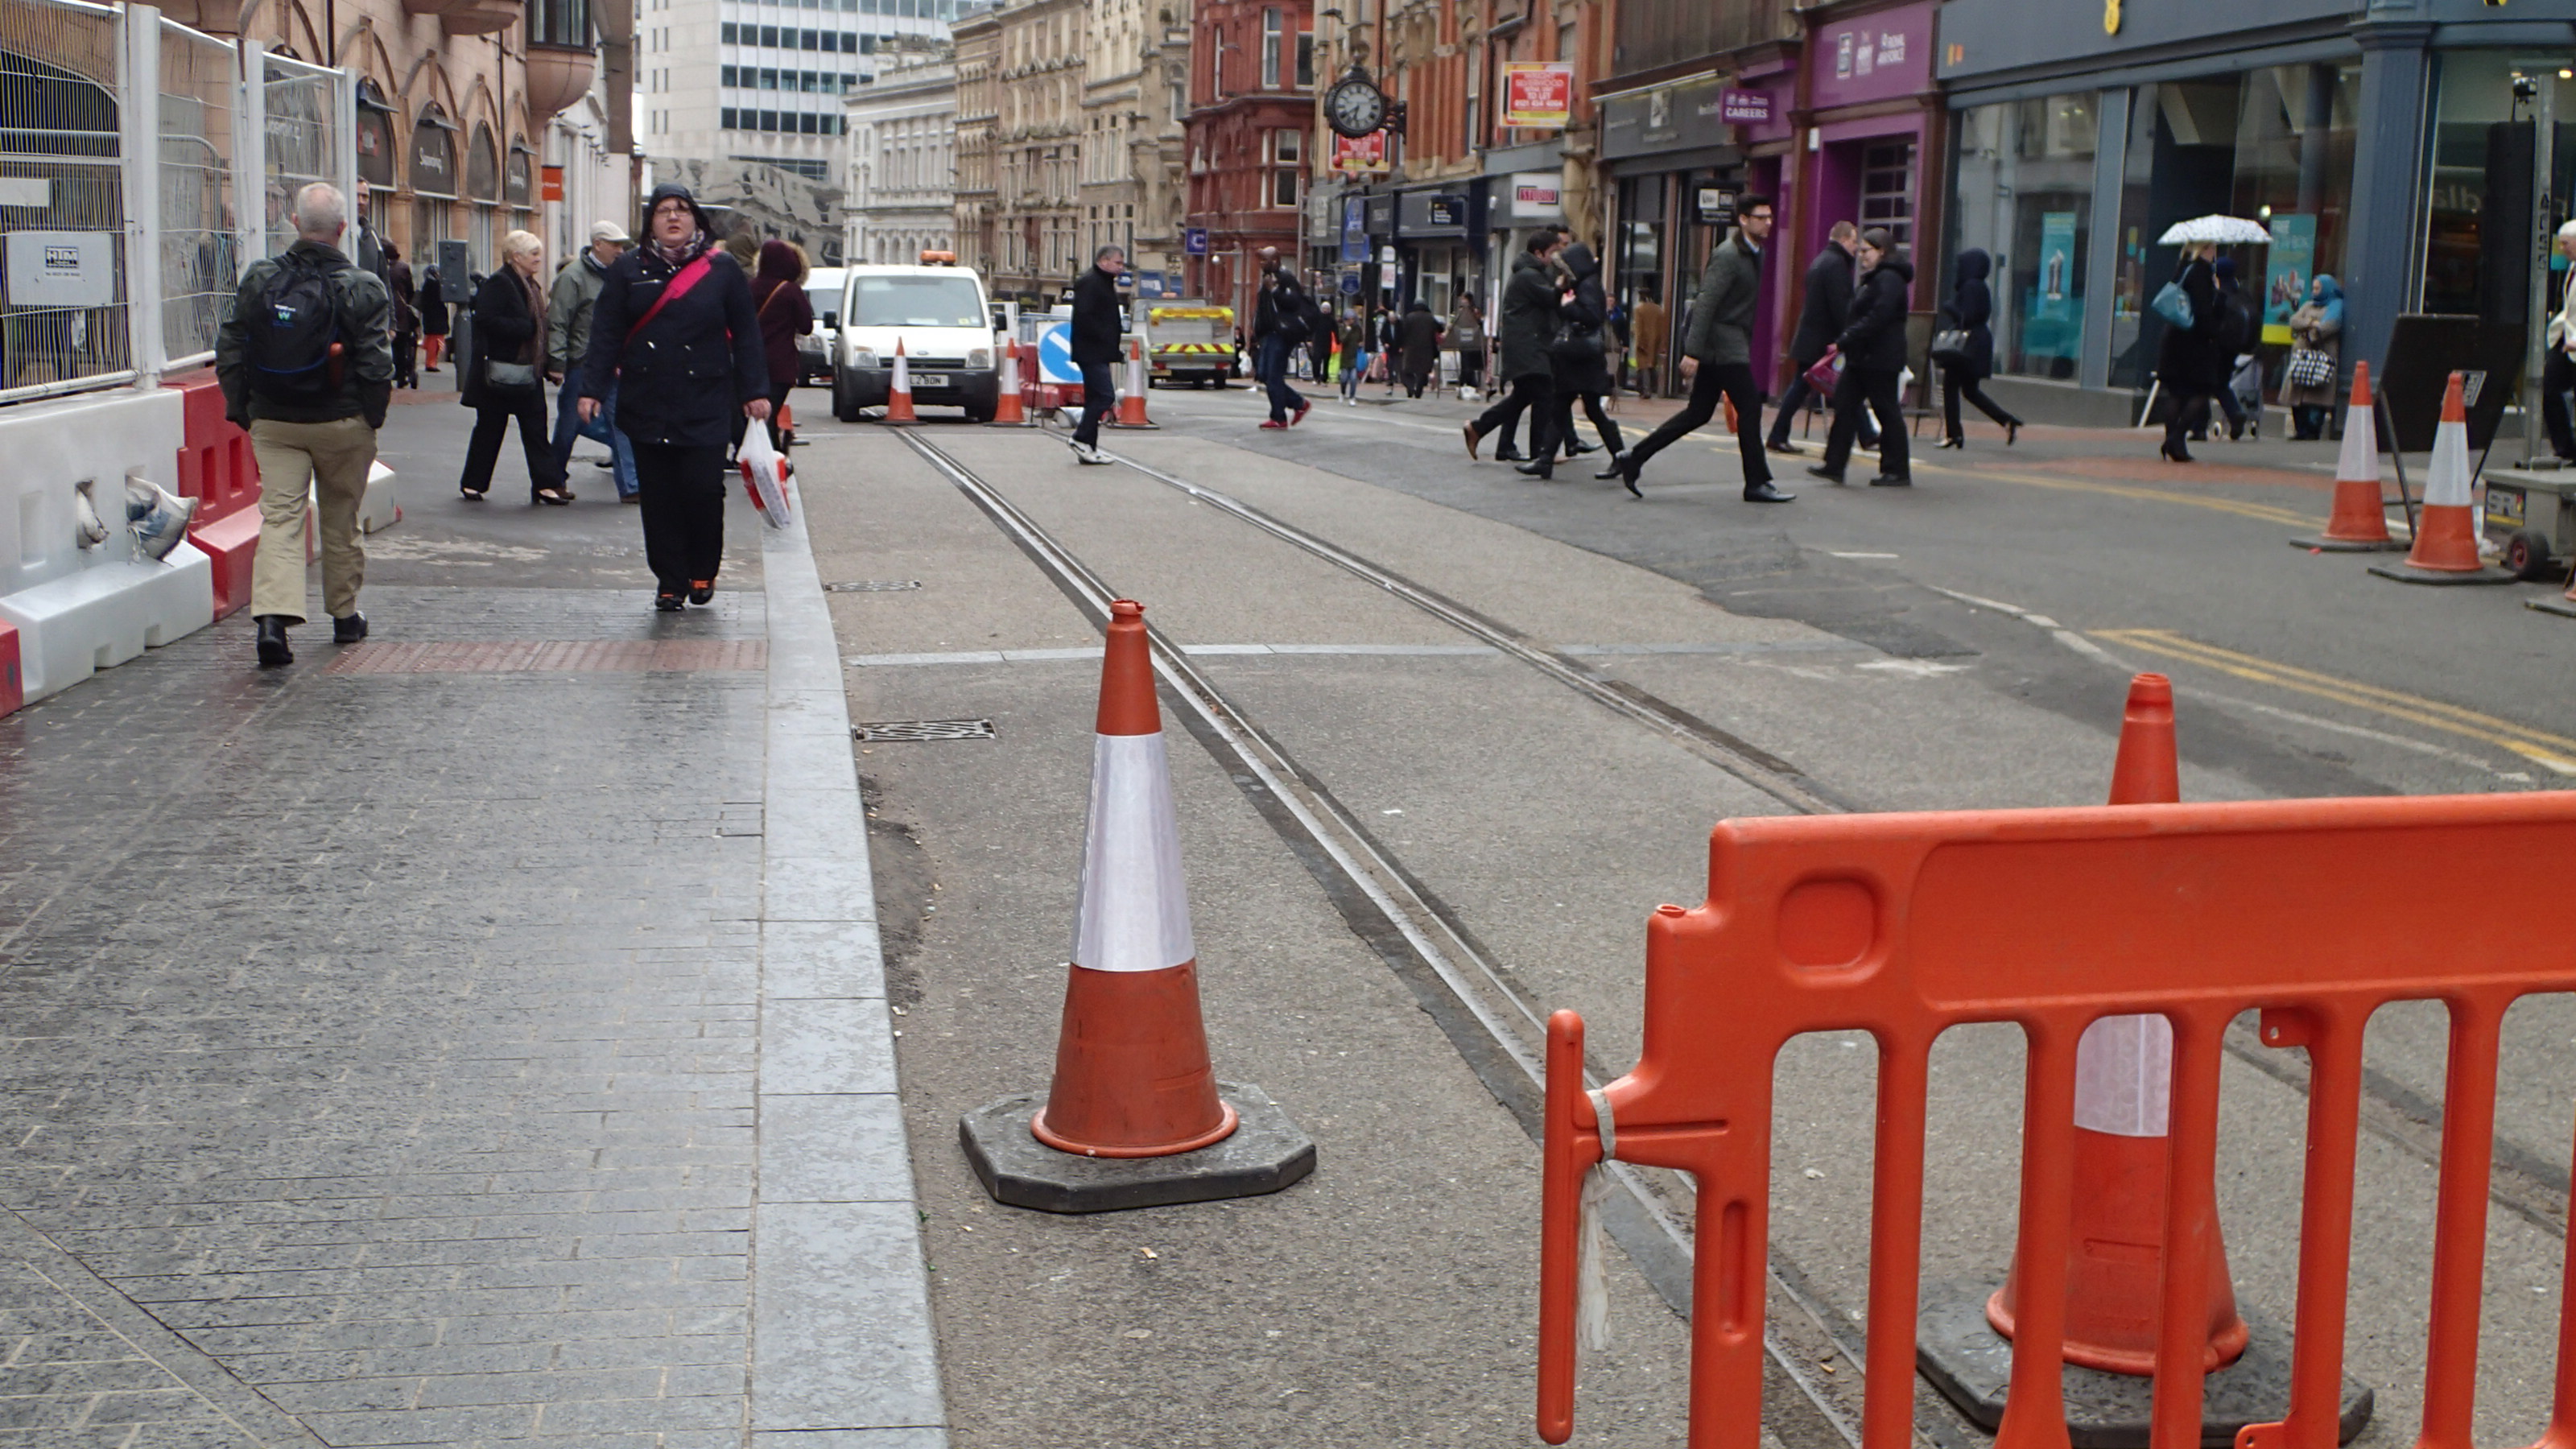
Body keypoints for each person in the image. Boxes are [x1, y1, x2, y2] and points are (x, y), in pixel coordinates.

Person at [214, 181, 392, 667]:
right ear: (342, 228)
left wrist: (243, 409)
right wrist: (370, 417)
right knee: (341, 518)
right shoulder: (363, 286)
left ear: (294, 223)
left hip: (274, 420)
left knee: (281, 518)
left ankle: (273, 620)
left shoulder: (261, 277)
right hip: (343, 421)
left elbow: (230, 346)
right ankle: (344, 616)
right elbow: (377, 364)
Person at [578, 182, 768, 611]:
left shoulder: (721, 269)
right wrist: (591, 388)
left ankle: (702, 568)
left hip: (705, 399)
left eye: (682, 209)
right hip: (648, 399)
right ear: (651, 222)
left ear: (695, 219)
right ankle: (669, 579)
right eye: (663, 210)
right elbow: (606, 333)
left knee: (702, 490)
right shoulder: (628, 269)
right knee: (659, 497)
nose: (673, 217)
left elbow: (747, 334)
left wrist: (755, 391)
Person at [1613, 197, 1790, 503]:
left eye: (1770, 217)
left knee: (1698, 413)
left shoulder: (1755, 252)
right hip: (1723, 346)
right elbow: (1705, 302)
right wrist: (1692, 351)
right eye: (1761, 217)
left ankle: (1635, 457)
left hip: (1727, 343)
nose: (1768, 223)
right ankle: (1757, 483)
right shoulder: (1728, 255)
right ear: (1744, 220)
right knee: (1750, 407)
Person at [457, 230, 571, 505]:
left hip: (526, 370)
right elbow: (485, 319)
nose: (539, 259)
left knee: (535, 428)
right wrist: (524, 328)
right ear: (516, 257)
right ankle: (473, 483)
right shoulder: (499, 282)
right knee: (490, 429)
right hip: (501, 370)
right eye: (534, 254)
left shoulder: (529, 284)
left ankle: (547, 485)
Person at [1808, 226, 1913, 488]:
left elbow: (1878, 316)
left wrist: (1845, 339)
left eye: (1867, 251)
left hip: (1879, 358)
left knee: (1886, 411)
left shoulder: (1889, 278)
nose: (1862, 255)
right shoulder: (1878, 277)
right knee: (1844, 405)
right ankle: (1834, 464)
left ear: (1882, 251)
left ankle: (1897, 470)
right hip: (1863, 356)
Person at [547, 220, 639, 502]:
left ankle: (631, 487)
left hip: (611, 362)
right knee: (569, 425)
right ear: (598, 245)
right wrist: (557, 362)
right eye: (614, 245)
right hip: (582, 363)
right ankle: (552, 480)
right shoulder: (573, 277)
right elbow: (558, 321)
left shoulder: (617, 275)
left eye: (622, 245)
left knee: (621, 423)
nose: (620, 250)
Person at [1767, 220, 1875, 456]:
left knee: (1827, 387)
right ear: (1845, 240)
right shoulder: (1836, 265)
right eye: (1854, 241)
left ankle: (1867, 434)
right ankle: (1777, 435)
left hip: (1811, 339)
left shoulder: (1821, 261)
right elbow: (1841, 307)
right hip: (1823, 342)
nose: (1857, 247)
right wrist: (1849, 336)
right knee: (1811, 388)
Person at [1462, 230, 1564, 476]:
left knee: (1523, 397)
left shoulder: (1531, 274)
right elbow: (1551, 298)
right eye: (1551, 253)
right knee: (1543, 396)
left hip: (1526, 345)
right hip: (1528, 347)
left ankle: (1478, 428)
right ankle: (1539, 454)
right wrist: (1564, 283)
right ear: (1538, 253)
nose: (1554, 258)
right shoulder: (1529, 276)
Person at [1539, 242, 1620, 477]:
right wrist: (1559, 292)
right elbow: (1558, 306)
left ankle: (1620, 456)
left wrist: (1568, 306)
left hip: (1583, 359)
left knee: (1586, 410)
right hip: (1577, 358)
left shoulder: (1589, 286)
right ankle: (1545, 460)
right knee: (1562, 407)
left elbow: (1593, 316)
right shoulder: (1581, 284)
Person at [1934, 247, 2023, 450]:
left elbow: (1968, 317)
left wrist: (1950, 307)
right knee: (1970, 391)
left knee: (1951, 387)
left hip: (1967, 344)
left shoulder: (1971, 286)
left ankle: (1953, 434)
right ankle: (2006, 420)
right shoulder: (1981, 286)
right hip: (1977, 342)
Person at [2156, 240, 2227, 463]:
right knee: (2201, 391)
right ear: (2205, 248)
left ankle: (2173, 442)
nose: (2215, 252)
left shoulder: (2182, 267)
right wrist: (2219, 295)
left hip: (2173, 339)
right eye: (2213, 247)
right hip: (2194, 344)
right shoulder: (2201, 273)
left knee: (2176, 393)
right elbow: (2204, 312)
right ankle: (2176, 439)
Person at [747, 240, 814, 454]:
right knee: (771, 413)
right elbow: (806, 327)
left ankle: (761, 456)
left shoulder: (747, 287)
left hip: (750, 365)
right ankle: (773, 459)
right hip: (780, 364)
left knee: (755, 416)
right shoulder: (790, 290)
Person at [1067, 243, 1125, 461]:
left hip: (1097, 350)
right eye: (1118, 262)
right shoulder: (1091, 283)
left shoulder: (1103, 282)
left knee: (1094, 397)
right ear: (1104, 261)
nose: (1121, 268)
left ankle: (1088, 447)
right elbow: (1087, 317)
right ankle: (1080, 438)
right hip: (1091, 351)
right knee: (1105, 395)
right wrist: (1105, 340)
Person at [1249, 247, 1315, 428]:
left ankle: (1279, 417)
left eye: (1266, 260)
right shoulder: (1266, 279)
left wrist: (1275, 290)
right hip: (1267, 334)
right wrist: (1257, 332)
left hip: (1281, 334)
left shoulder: (1285, 278)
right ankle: (1298, 404)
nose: (1262, 263)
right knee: (1264, 375)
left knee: (1273, 376)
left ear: (1276, 261)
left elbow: (1293, 302)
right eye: (1261, 260)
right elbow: (1264, 309)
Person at [2285, 273, 2346, 443]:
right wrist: (2311, 323)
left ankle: (2312, 430)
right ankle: (2300, 429)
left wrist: (2310, 328)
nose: (2315, 291)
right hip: (2302, 358)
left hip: (2321, 358)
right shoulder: (2308, 304)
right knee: (2298, 396)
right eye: (2314, 288)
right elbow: (2294, 321)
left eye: (2318, 288)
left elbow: (2328, 327)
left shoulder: (2335, 306)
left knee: (2316, 396)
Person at [2545, 224, 2576, 460]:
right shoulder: (2572, 268)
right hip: (2565, 339)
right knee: (2549, 389)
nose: (2562, 248)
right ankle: (2566, 449)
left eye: (2566, 242)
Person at [384, 241, 419, 390]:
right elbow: (410, 290)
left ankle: (393, 373)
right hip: (401, 311)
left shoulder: (382, 268)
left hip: (385, 309)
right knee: (403, 345)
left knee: (391, 345)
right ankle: (402, 374)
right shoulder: (402, 268)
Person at [1397, 299, 1443, 398]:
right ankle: (1418, 391)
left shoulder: (1409, 317)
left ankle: (1410, 388)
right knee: (1422, 372)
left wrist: (1401, 345)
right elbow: (1440, 329)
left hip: (1410, 349)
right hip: (1426, 349)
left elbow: (1403, 333)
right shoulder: (1430, 318)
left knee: (1407, 371)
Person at [1447, 293, 1484, 397]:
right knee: (1466, 362)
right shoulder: (1460, 311)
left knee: (1469, 362)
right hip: (1467, 341)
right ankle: (1466, 381)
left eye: (1464, 299)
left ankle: (1468, 381)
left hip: (1471, 341)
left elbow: (1480, 321)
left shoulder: (1473, 311)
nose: (1462, 301)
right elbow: (1452, 321)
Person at [1338, 305, 1370, 405]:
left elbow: (1360, 339)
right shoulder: (1342, 328)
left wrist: (1361, 343)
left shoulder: (1357, 329)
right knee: (1343, 379)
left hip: (1354, 356)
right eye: (1349, 319)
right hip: (1345, 357)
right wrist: (1347, 330)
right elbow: (1342, 340)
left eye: (1352, 319)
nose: (1351, 321)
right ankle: (1342, 392)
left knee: (1353, 379)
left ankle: (1352, 397)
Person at [420, 263, 449, 372]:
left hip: (431, 319)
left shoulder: (428, 284)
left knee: (433, 342)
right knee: (434, 343)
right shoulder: (434, 284)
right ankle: (431, 363)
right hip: (436, 319)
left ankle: (432, 363)